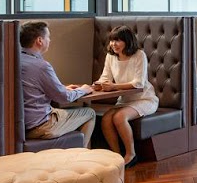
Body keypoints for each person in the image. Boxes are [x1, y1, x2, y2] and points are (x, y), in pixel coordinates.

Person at [19, 21, 97, 147]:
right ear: (40, 40)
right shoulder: (41, 66)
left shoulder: (14, 60)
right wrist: (84, 90)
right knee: (89, 113)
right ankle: (81, 157)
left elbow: (32, 89)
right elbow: (64, 98)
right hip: (40, 126)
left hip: (20, 126)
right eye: (48, 37)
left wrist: (63, 88)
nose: (49, 40)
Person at [96, 25, 159, 168]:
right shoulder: (110, 56)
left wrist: (114, 86)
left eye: (118, 40)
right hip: (125, 100)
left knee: (119, 117)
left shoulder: (139, 55)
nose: (113, 44)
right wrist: (96, 85)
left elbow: (138, 83)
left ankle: (131, 154)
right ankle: (117, 155)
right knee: (106, 119)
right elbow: (105, 77)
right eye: (112, 41)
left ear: (127, 41)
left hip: (145, 99)